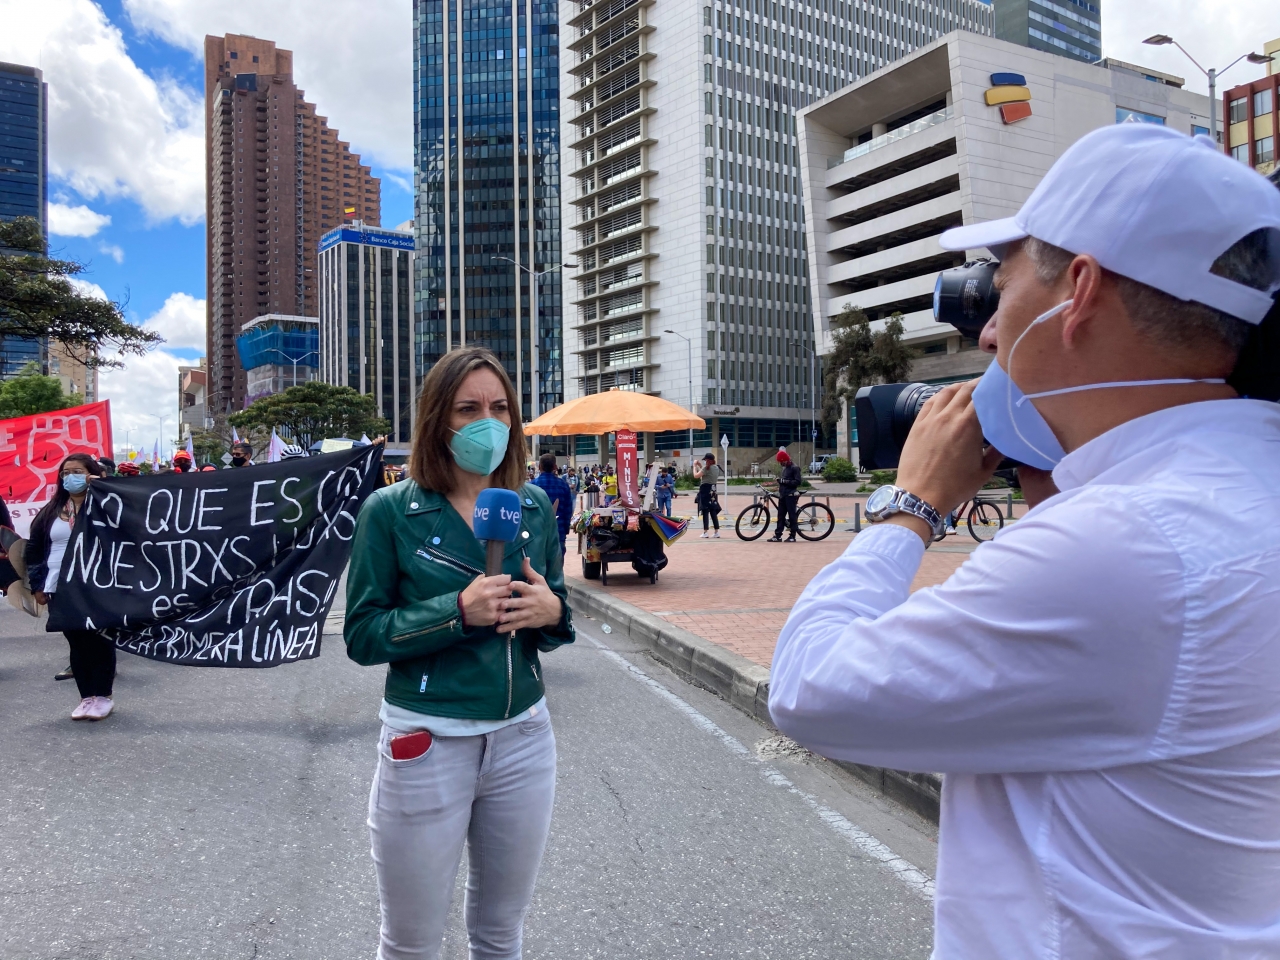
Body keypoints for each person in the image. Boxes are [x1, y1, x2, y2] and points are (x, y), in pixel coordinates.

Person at [769, 124, 1280, 958]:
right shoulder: (1236, 479)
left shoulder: (1123, 543)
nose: (987, 334)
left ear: (1077, 289)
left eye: (998, 287)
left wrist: (912, 505)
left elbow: (809, 687)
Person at [344, 345, 574, 960]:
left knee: (501, 935)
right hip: (425, 741)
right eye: (468, 408)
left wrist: (552, 614)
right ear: (437, 419)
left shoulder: (533, 507)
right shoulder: (389, 512)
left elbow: (554, 616)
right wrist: (455, 612)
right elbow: (363, 635)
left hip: (525, 738)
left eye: (500, 408)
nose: (487, 422)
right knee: (412, 943)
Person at [26, 454, 115, 720]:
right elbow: (34, 548)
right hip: (59, 585)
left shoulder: (106, 505)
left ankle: (103, 696)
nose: (70, 477)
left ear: (92, 473)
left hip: (97, 584)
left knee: (99, 640)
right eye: (65, 472)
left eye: (77, 471)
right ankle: (86, 697)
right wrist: (37, 584)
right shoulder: (52, 510)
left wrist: (103, 488)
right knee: (76, 641)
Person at [531, 453, 573, 557]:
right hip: (558, 532)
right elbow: (568, 511)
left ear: (539, 467)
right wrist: (566, 528)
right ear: (555, 467)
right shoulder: (563, 485)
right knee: (557, 567)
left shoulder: (532, 486)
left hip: (537, 533)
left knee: (538, 567)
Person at [768, 447, 802, 542]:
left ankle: (792, 536)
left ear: (785, 460)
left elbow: (797, 482)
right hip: (783, 495)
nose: (780, 464)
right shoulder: (785, 468)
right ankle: (778, 535)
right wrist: (779, 483)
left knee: (792, 516)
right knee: (780, 516)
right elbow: (784, 481)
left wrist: (784, 481)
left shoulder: (794, 468)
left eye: (781, 462)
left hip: (790, 495)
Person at [693, 452, 722, 538]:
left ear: (708, 460)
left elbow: (696, 476)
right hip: (713, 490)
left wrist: (695, 466)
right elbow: (706, 472)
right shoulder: (716, 468)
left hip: (705, 490)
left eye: (705, 460)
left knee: (705, 510)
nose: (705, 461)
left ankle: (705, 532)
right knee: (713, 510)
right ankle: (716, 532)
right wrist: (700, 465)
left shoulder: (706, 468)